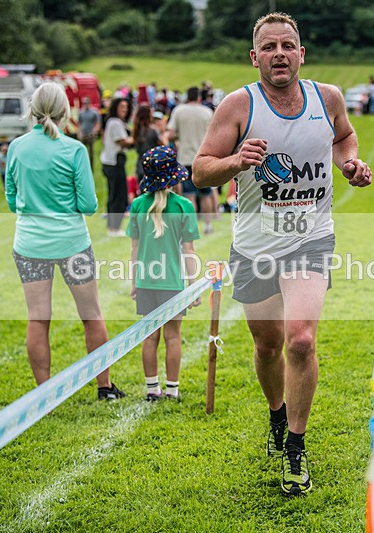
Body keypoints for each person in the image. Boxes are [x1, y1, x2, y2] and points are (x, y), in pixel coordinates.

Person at [193, 12, 372, 495]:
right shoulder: (238, 106)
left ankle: (296, 446)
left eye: (286, 45)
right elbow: (201, 171)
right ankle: (277, 415)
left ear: (301, 53)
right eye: (268, 47)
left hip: (311, 238)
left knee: (300, 340)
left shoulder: (326, 98)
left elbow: (344, 137)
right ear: (255, 58)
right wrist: (235, 161)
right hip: (254, 244)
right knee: (268, 345)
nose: (278, 54)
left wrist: (349, 163)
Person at [5, 82, 125, 400]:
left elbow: (11, 199)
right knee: (91, 314)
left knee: (38, 317)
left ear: (32, 110)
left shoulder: (16, 147)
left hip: (30, 244)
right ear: (65, 112)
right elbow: (88, 204)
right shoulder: (74, 149)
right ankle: (104, 386)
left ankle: (44, 395)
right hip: (72, 242)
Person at [128, 146, 201, 401]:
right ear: (173, 176)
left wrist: (135, 281)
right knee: (173, 336)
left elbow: (135, 249)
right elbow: (188, 250)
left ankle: (151, 389)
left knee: (150, 337)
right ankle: (172, 390)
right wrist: (193, 286)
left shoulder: (137, 205)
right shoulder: (183, 206)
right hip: (172, 283)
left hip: (146, 281)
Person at [168, 86, 215, 234]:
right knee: (206, 194)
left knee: (190, 195)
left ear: (187, 97)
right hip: (205, 157)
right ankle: (208, 225)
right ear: (199, 98)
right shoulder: (207, 112)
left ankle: (192, 227)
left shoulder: (179, 111)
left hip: (186, 158)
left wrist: (178, 140)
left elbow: (170, 134)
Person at [100, 98, 134, 237]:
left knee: (113, 195)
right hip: (114, 162)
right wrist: (135, 137)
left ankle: (112, 227)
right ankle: (115, 228)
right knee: (118, 195)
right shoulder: (115, 122)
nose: (124, 110)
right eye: (121, 107)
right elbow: (123, 141)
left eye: (126, 107)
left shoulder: (112, 122)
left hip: (110, 162)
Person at [131, 104, 162, 184]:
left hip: (140, 165)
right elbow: (162, 145)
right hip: (152, 166)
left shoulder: (135, 130)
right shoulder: (153, 130)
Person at [78, 97, 101, 172]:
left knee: (91, 153)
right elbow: (80, 123)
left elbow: (98, 123)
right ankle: (82, 167)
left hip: (90, 135)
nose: (85, 105)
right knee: (82, 152)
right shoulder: (81, 112)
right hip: (83, 134)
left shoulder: (94, 112)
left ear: (90, 103)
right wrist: (79, 132)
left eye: (87, 103)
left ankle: (91, 169)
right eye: (84, 103)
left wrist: (94, 131)